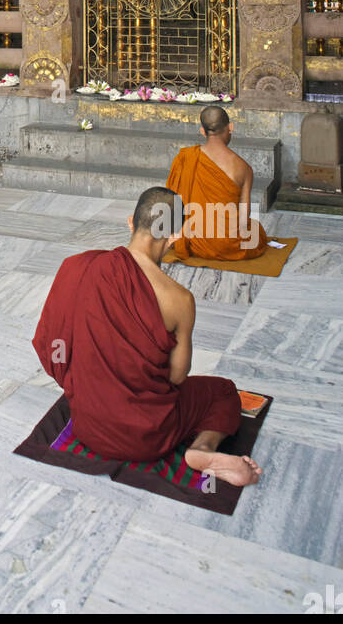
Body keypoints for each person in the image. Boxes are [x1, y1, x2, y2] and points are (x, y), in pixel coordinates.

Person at [32, 186, 261, 487]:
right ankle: (203, 448)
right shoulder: (180, 300)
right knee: (223, 392)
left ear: (131, 222)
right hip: (152, 437)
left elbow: (51, 347)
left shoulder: (76, 266)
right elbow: (177, 378)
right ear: (176, 235)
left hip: (88, 427)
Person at [165, 105, 290, 261]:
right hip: (228, 246)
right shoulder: (244, 168)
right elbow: (244, 221)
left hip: (192, 241)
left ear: (202, 131)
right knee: (256, 230)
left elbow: (173, 205)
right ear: (230, 127)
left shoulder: (184, 158)